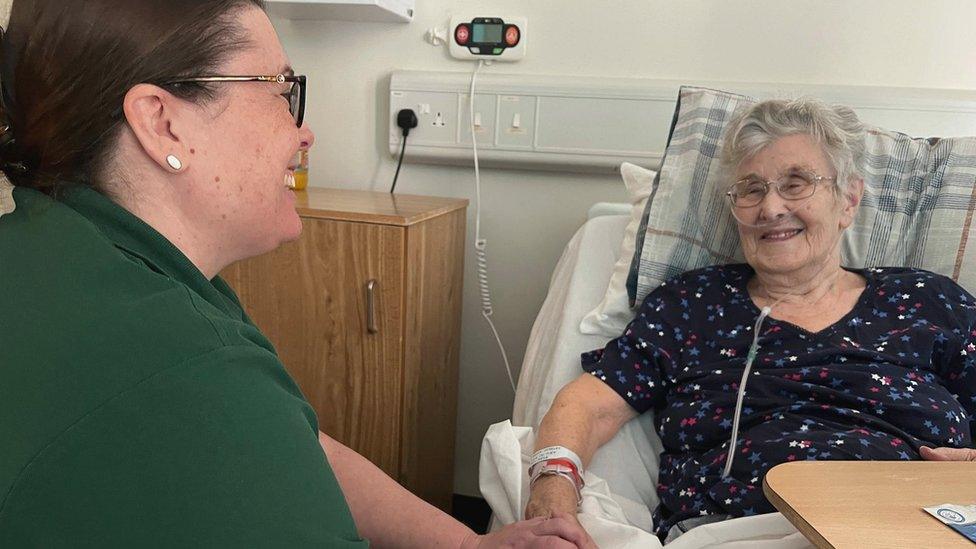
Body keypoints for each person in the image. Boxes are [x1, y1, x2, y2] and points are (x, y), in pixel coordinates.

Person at [0, 1, 598, 547]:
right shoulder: (189, 371)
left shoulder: (79, 252)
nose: (302, 130)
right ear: (162, 123)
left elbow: (298, 445)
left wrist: (471, 545)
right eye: (281, 90)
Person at [524, 97, 976, 542]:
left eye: (796, 183)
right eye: (752, 189)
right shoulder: (693, 304)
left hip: (908, 527)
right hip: (736, 531)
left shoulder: (925, 299)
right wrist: (553, 485)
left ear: (848, 200)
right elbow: (588, 404)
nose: (771, 208)